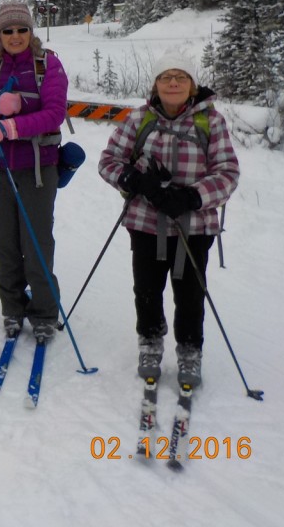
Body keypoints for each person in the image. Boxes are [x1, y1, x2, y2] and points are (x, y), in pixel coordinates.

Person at [97, 52, 239, 387]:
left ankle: (190, 350)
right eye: (165, 77)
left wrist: (192, 196)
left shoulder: (210, 122)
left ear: (192, 85)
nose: (172, 83)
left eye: (180, 77)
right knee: (146, 288)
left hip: (194, 225)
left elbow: (228, 173)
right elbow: (108, 161)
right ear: (156, 84)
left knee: (190, 292)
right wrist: (134, 180)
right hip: (145, 222)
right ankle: (150, 341)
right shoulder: (139, 119)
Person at [0, 0, 68, 343]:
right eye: (8, 30)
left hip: (37, 169)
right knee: (4, 244)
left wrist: (9, 129)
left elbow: (54, 114)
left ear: (31, 32)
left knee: (36, 245)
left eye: (22, 29)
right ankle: (12, 308)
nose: (16, 36)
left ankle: (45, 312)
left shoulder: (48, 65)